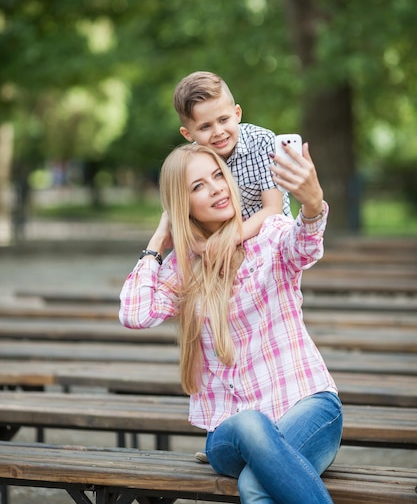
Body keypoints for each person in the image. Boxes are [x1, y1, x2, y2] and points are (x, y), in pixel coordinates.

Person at [119, 140, 343, 504]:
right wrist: (159, 240)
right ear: (182, 203)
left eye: (217, 176)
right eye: (197, 186)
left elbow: (304, 244)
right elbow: (135, 313)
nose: (216, 189)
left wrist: (313, 203)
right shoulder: (183, 267)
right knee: (250, 422)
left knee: (254, 487)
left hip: (309, 408)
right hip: (229, 433)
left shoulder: (268, 236)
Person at [173, 71, 292, 243]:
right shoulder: (192, 161)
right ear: (187, 134)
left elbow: (273, 208)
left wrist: (228, 240)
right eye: (205, 127)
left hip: (271, 241)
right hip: (223, 244)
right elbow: (185, 216)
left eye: (223, 120)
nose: (218, 132)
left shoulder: (262, 142)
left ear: (237, 114)